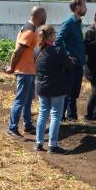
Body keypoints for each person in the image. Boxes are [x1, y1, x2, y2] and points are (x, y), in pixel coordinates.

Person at [4, 6, 46, 137]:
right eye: (44, 15)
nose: (46, 18)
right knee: (20, 100)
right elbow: (18, 51)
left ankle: (27, 125)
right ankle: (12, 128)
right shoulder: (29, 31)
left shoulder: (30, 28)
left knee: (28, 100)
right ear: (39, 16)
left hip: (29, 70)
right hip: (24, 71)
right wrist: (11, 67)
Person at [33, 25, 73, 153]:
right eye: (54, 33)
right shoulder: (57, 50)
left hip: (41, 86)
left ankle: (38, 143)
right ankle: (52, 145)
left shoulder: (37, 51)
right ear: (50, 36)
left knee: (43, 114)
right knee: (55, 115)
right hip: (56, 87)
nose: (56, 34)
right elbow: (69, 66)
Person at [56, 0, 87, 121]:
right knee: (67, 91)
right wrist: (67, 56)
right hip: (71, 64)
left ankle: (71, 116)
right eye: (84, 5)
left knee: (73, 92)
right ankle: (60, 118)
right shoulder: (69, 22)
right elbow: (58, 41)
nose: (86, 8)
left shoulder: (77, 22)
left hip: (78, 63)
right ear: (78, 7)